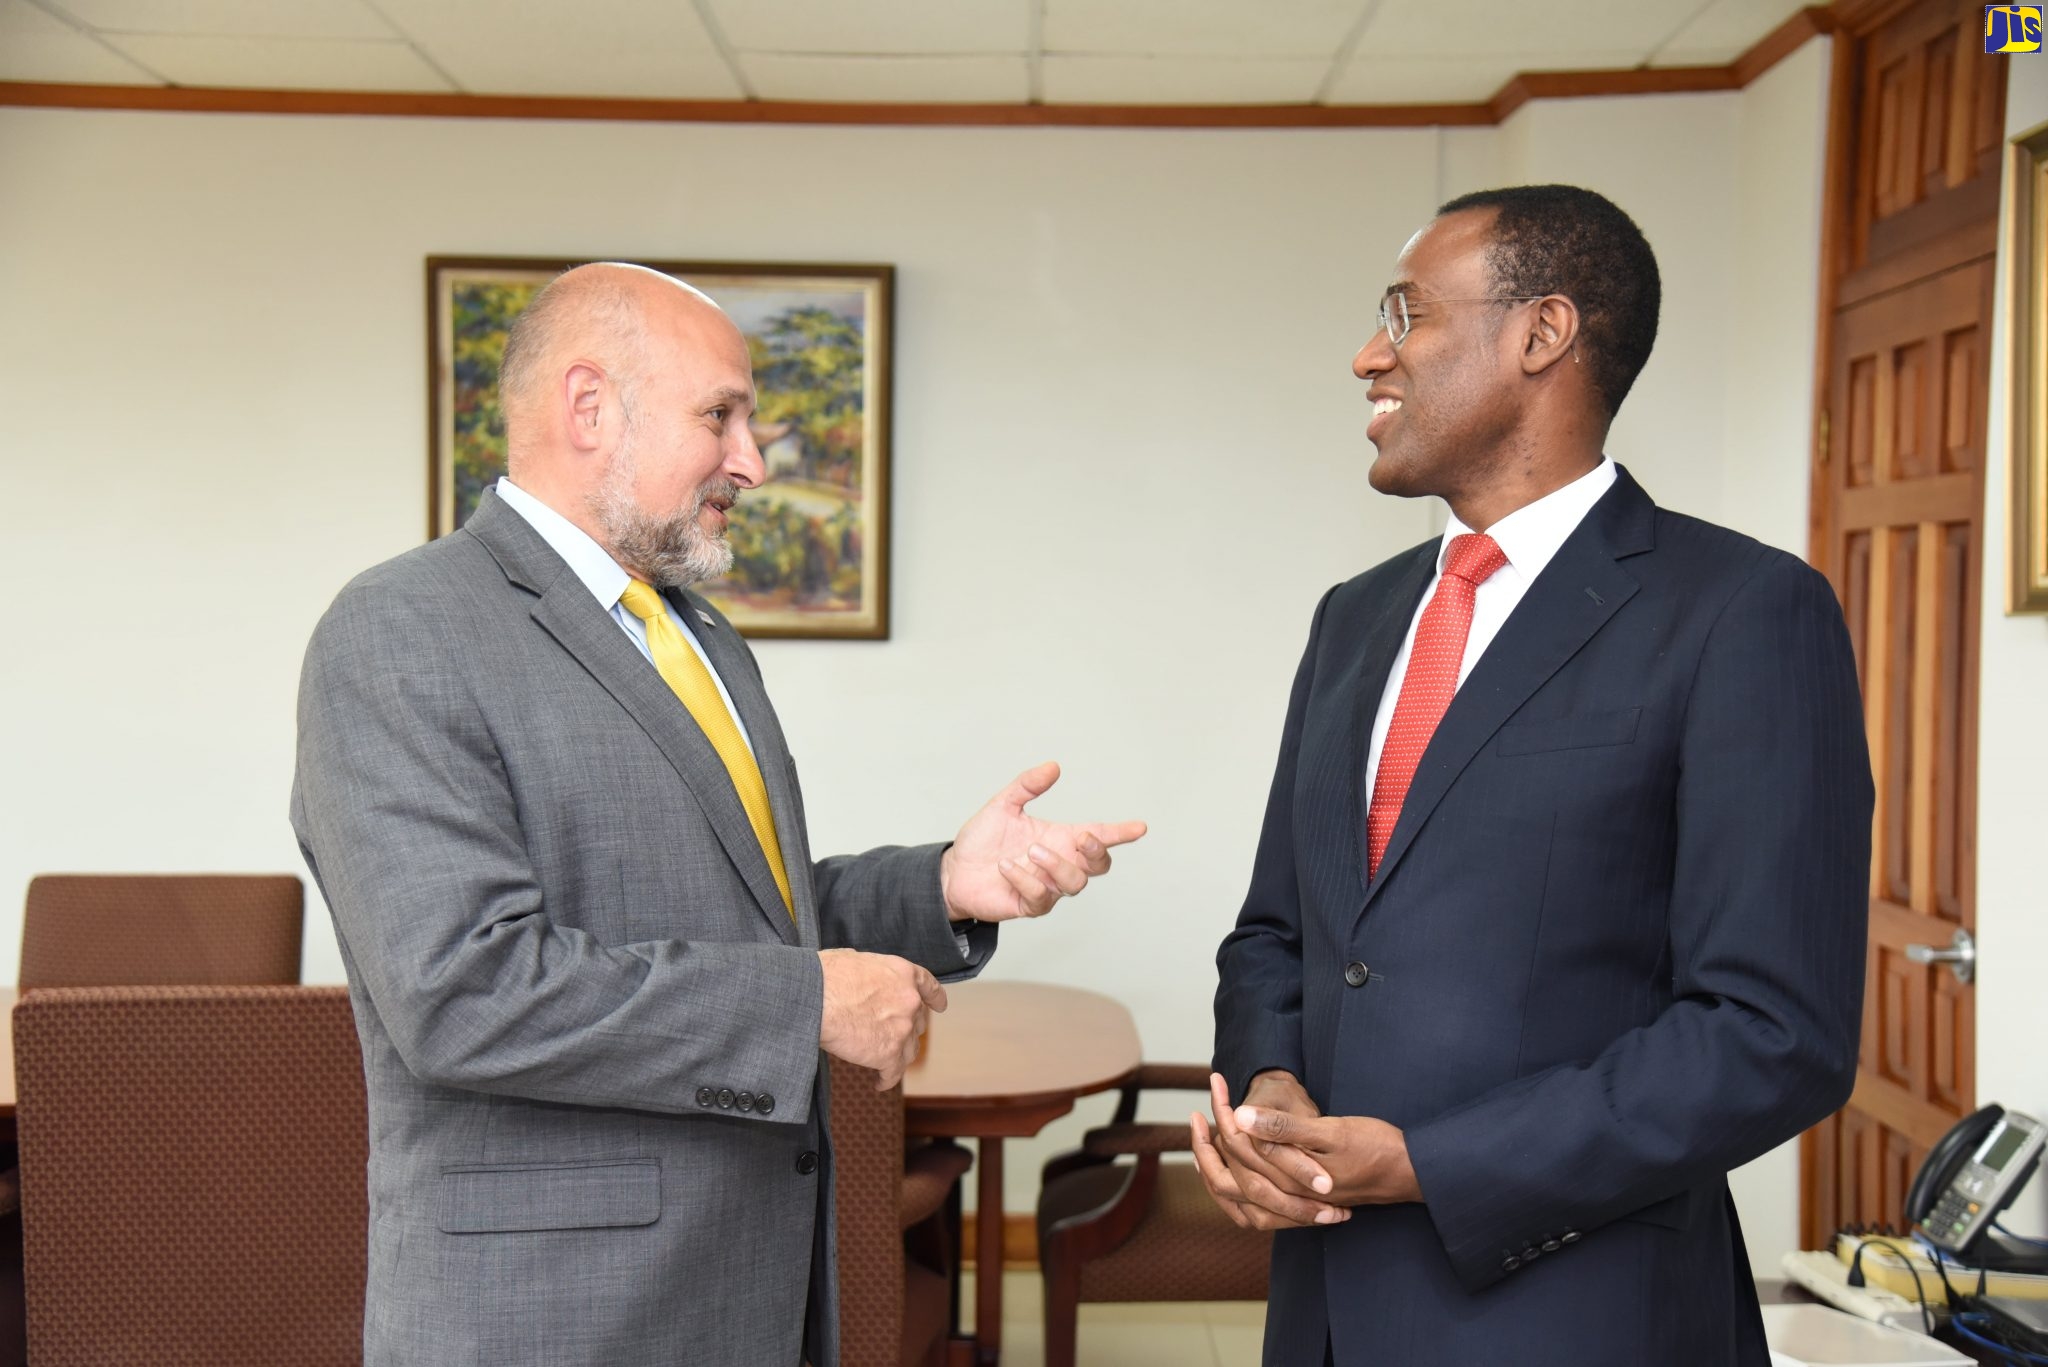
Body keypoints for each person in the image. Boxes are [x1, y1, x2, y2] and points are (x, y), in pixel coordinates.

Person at [291, 263, 1145, 1367]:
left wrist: (940, 885)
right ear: (588, 405)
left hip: (750, 1288)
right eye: (720, 416)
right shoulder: (397, 631)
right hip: (559, 1317)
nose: (751, 460)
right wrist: (804, 1006)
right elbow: (462, 990)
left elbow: (744, 912)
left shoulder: (698, 635)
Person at [1193, 185, 1872, 1365]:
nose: (1368, 355)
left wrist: (1428, 1166)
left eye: (1403, 313)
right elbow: (1276, 932)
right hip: (1323, 1309)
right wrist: (1270, 1089)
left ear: (1540, 334)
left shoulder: (1742, 613)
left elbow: (1770, 1032)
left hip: (1579, 1312)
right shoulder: (1353, 621)